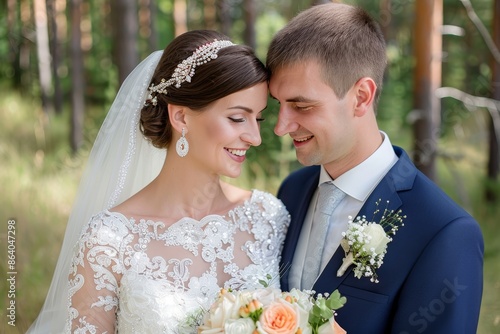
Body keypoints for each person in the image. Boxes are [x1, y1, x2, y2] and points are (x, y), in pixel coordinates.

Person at [27, 30, 290, 333]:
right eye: (236, 118)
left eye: (258, 118)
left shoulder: (267, 217)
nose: (254, 138)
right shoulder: (108, 242)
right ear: (181, 117)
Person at [266, 3, 483, 333]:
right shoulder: (291, 191)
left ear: (361, 97)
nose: (281, 127)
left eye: (302, 106)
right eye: (278, 104)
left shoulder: (445, 233)